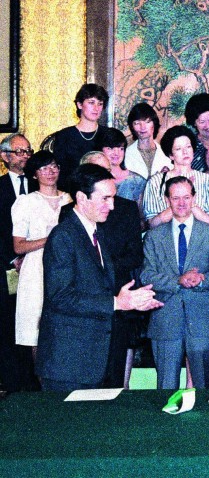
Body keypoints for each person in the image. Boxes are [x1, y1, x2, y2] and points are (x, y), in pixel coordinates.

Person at [35, 165, 161, 391]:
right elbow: (60, 297)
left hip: (96, 358)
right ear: (82, 198)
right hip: (69, 362)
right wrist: (117, 302)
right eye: (105, 199)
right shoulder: (63, 236)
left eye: (113, 198)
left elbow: (100, 287)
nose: (112, 206)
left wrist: (131, 302)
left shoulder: (97, 232)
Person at [140, 176, 209, 390]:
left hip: (203, 319)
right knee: (166, 387)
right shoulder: (153, 236)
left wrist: (201, 279)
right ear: (166, 200)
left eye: (186, 197)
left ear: (194, 198)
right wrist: (177, 281)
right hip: (166, 319)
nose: (181, 203)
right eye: (175, 197)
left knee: (203, 387)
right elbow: (146, 275)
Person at [79, 152, 147, 388]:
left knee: (115, 376)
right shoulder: (70, 214)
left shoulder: (125, 208)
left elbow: (135, 255)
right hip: (84, 302)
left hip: (119, 295)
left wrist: (106, 268)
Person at [12, 151, 72, 362]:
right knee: (36, 330)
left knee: (66, 328)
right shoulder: (25, 202)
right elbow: (18, 246)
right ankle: (44, 387)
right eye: (44, 168)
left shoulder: (70, 199)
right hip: (36, 270)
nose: (51, 171)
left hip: (67, 267)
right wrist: (51, 239)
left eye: (54, 166)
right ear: (34, 174)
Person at [0, 133, 35, 391]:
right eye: (19, 151)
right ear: (4, 156)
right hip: (6, 269)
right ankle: (12, 383)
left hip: (36, 267)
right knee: (8, 324)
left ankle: (33, 384)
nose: (24, 156)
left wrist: (28, 257)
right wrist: (14, 258)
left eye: (27, 151)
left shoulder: (39, 186)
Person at [141, 126, 209, 228]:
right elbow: (152, 224)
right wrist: (177, 202)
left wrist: (192, 204)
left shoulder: (207, 180)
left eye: (188, 147)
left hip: (198, 238)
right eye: (178, 149)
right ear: (171, 155)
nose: (185, 152)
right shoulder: (156, 182)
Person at [50, 84, 109, 192]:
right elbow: (60, 174)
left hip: (104, 192)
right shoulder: (64, 136)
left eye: (100, 104)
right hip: (72, 193)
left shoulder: (109, 134)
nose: (96, 108)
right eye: (91, 102)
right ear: (79, 104)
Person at [97, 128, 147, 204]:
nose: (116, 153)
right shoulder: (94, 179)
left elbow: (141, 213)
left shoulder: (137, 181)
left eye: (121, 148)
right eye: (110, 148)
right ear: (100, 150)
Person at [124, 102, 172, 179]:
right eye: (137, 123)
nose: (142, 127)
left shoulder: (166, 153)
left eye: (147, 122)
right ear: (132, 127)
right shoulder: (126, 155)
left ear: (154, 123)